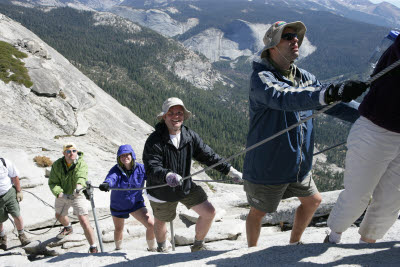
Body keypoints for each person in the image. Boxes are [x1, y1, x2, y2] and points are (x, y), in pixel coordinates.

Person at [242, 21, 368, 247]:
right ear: (272, 46)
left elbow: (333, 105)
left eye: (296, 36)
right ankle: (251, 253)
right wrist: (329, 92)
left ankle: (294, 244)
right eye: (288, 37)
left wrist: (371, 115)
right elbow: (285, 97)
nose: (295, 40)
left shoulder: (304, 77)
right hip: (267, 165)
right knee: (259, 212)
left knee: (313, 201)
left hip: (298, 164)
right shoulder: (261, 79)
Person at [325, 33, 400, 244]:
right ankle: (333, 238)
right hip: (376, 129)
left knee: (391, 200)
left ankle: (367, 245)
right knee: (358, 193)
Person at [143, 97, 243, 252]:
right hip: (161, 190)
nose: (176, 116)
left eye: (179, 113)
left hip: (184, 186)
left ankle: (198, 245)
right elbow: (152, 167)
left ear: (184, 116)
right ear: (164, 117)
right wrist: (167, 175)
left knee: (209, 212)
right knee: (162, 220)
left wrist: (230, 171)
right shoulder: (154, 140)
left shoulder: (189, 136)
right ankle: (162, 247)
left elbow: (208, 156)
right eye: (171, 113)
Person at [99, 144, 156, 251]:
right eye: (122, 156)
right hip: (118, 205)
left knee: (151, 225)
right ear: (119, 158)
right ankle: (118, 249)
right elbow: (112, 178)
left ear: (132, 155)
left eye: (127, 155)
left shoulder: (141, 168)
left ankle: (152, 249)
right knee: (119, 229)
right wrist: (107, 184)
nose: (125, 158)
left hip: (136, 204)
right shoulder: (115, 169)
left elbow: (152, 175)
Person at [48, 143, 98, 253]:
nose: (72, 153)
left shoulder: (81, 163)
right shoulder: (57, 165)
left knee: (84, 221)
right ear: (64, 153)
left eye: (74, 151)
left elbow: (81, 176)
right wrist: (59, 193)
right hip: (63, 193)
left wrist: (78, 187)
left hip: (77, 194)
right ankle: (68, 227)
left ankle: (93, 247)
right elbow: (53, 182)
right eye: (68, 151)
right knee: (59, 215)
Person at [0, 157, 31, 250]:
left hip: (9, 193)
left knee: (16, 215)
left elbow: (14, 176)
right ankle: (2, 238)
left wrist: (19, 191)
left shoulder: (4, 162)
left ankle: (22, 235)